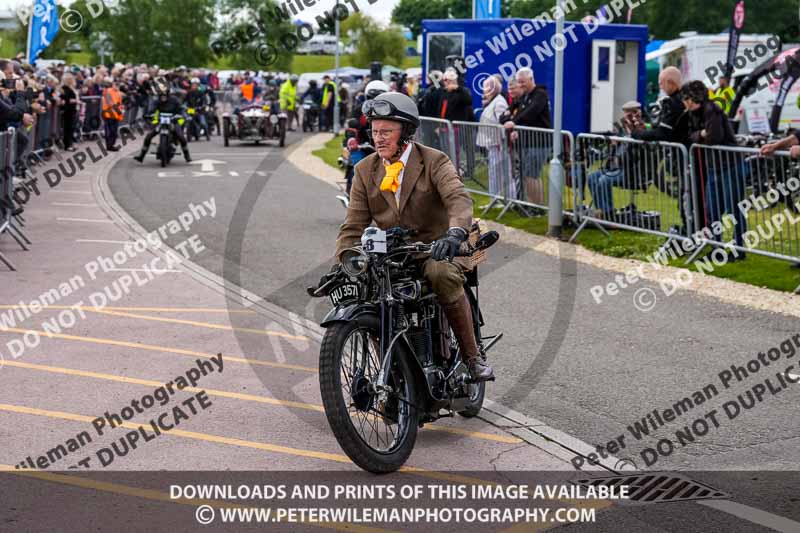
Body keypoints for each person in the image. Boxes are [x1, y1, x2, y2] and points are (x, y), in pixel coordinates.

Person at [335, 91, 494, 382]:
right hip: (395, 255)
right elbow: (352, 226)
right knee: (367, 288)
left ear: (406, 132)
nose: (379, 138)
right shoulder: (364, 169)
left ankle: (473, 358)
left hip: (441, 248)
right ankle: (395, 370)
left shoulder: (434, 160)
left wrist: (456, 232)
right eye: (375, 131)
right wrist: (344, 260)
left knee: (440, 274)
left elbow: (458, 199)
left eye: (387, 131)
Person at [682, 80, 746, 259]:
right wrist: (701, 134)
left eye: (686, 98)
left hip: (729, 166)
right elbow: (691, 136)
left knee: (734, 209)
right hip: (714, 167)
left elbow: (714, 138)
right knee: (713, 210)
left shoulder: (713, 110)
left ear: (692, 98)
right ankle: (717, 248)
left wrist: (701, 135)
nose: (684, 102)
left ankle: (739, 249)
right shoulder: (696, 114)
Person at [586, 101, 647, 220]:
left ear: (637, 113)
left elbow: (639, 151)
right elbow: (613, 148)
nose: (626, 117)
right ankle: (604, 210)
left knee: (604, 179)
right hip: (616, 167)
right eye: (625, 114)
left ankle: (608, 214)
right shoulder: (622, 128)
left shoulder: (642, 128)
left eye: (629, 114)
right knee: (592, 178)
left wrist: (631, 134)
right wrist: (613, 145)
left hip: (632, 171)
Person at [503, 67, 551, 205]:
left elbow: (531, 112)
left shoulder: (540, 94)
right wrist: (511, 120)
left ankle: (538, 207)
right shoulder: (524, 97)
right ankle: (532, 205)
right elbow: (512, 113)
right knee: (527, 176)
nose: (520, 85)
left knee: (532, 175)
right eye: (518, 82)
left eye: (523, 82)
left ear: (531, 79)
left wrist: (513, 121)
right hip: (527, 142)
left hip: (539, 143)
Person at [133, 80, 191, 163]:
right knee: (149, 136)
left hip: (173, 120)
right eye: (161, 94)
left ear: (168, 93)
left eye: (164, 94)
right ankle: (141, 156)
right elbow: (151, 110)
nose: (163, 96)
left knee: (181, 137)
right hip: (161, 121)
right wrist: (148, 115)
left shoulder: (174, 99)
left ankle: (187, 155)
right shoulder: (156, 100)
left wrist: (183, 115)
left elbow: (181, 108)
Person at [476, 76, 508, 198]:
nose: (484, 90)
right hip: (491, 142)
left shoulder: (499, 102)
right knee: (493, 171)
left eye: (486, 87)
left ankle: (499, 198)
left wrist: (502, 139)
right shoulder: (493, 101)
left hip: (498, 142)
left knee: (498, 172)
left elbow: (502, 121)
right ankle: (494, 198)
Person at [101, 76, 123, 151]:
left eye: (118, 84)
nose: (117, 86)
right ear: (112, 84)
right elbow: (110, 102)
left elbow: (119, 104)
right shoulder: (108, 91)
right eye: (115, 84)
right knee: (110, 131)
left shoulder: (118, 93)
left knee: (114, 131)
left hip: (115, 115)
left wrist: (120, 111)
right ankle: (109, 146)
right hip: (109, 114)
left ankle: (111, 145)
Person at [60, 73, 79, 152]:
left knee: (71, 128)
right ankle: (67, 145)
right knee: (68, 128)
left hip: (72, 110)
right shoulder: (65, 89)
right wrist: (74, 100)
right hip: (68, 111)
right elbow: (66, 99)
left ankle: (70, 143)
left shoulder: (69, 88)